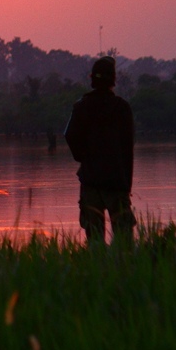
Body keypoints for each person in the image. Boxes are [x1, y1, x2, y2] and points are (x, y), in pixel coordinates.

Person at [64, 56, 136, 242]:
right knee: (124, 242)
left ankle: (98, 269)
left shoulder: (82, 106)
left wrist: (82, 158)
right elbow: (128, 149)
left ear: (92, 80)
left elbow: (69, 135)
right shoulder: (122, 108)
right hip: (116, 182)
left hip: (91, 181)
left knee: (94, 241)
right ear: (113, 80)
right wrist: (126, 184)